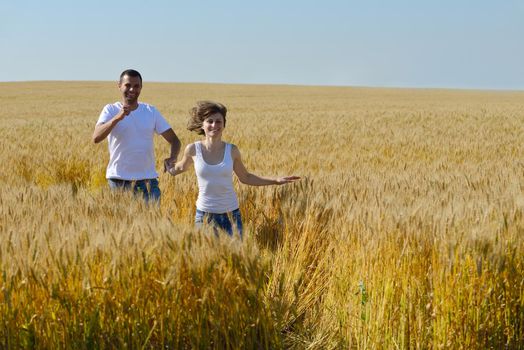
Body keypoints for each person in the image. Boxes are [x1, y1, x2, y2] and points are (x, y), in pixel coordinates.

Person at [165, 100, 300, 237]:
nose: (214, 125)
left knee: (234, 257)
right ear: (203, 125)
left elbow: (245, 177)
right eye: (210, 121)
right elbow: (181, 167)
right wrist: (169, 167)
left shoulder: (232, 150)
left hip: (231, 216)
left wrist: (276, 180)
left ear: (224, 125)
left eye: (218, 121)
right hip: (205, 215)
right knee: (209, 258)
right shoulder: (193, 149)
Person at [92, 69, 180, 202]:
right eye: (128, 85)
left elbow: (174, 140)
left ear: (141, 88)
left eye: (136, 86)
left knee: (152, 222)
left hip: (148, 182)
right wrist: (117, 118)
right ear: (119, 86)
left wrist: (172, 157)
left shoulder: (151, 111)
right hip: (118, 180)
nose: (132, 89)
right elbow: (96, 137)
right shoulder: (110, 110)